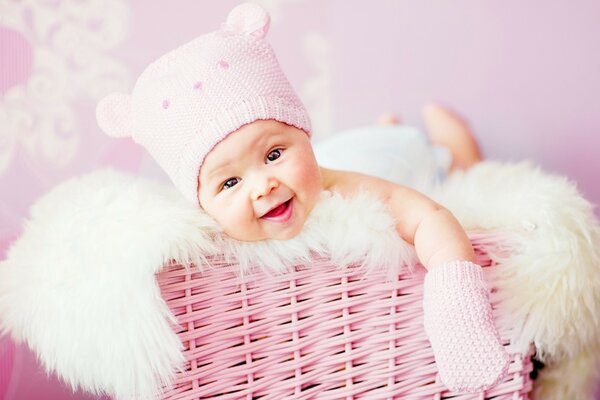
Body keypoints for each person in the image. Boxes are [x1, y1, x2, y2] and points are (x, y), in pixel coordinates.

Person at [96, 3, 508, 392]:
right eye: (229, 183)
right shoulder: (202, 235)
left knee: (424, 159)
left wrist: (456, 310)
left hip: (387, 160)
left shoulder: (341, 187)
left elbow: (430, 217)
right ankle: (382, 127)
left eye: (274, 155)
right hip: (341, 148)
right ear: (200, 203)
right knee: (361, 141)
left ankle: (451, 147)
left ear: (303, 137)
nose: (263, 186)